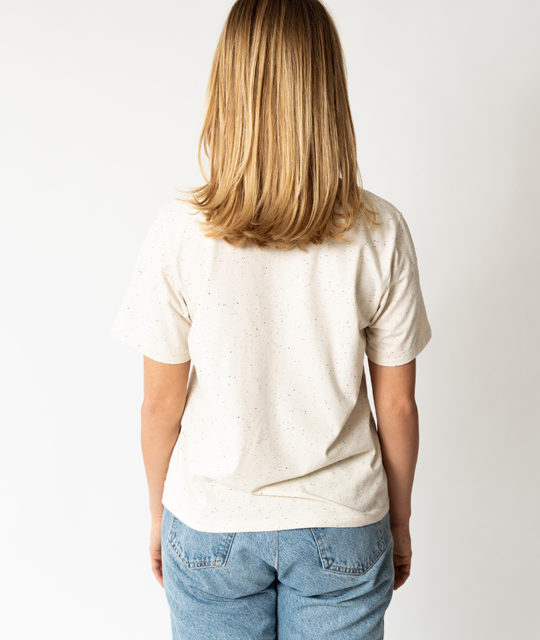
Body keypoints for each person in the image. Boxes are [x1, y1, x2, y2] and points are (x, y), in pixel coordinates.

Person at [111, 0, 433, 638]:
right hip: (343, 524)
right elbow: (397, 406)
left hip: (211, 523)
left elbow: (159, 406)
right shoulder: (380, 230)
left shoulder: (179, 233)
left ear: (228, 89)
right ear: (327, 93)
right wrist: (398, 522)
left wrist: (157, 515)